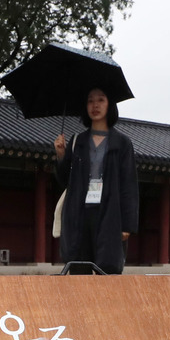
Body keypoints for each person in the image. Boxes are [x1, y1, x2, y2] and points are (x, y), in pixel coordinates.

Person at [54, 88, 139, 274]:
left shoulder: (122, 143)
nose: (95, 105)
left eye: (101, 100)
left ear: (110, 105)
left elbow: (129, 186)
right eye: (90, 101)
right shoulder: (78, 141)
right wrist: (61, 156)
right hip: (79, 213)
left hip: (109, 213)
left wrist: (127, 225)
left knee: (107, 271)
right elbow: (64, 181)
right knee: (78, 269)